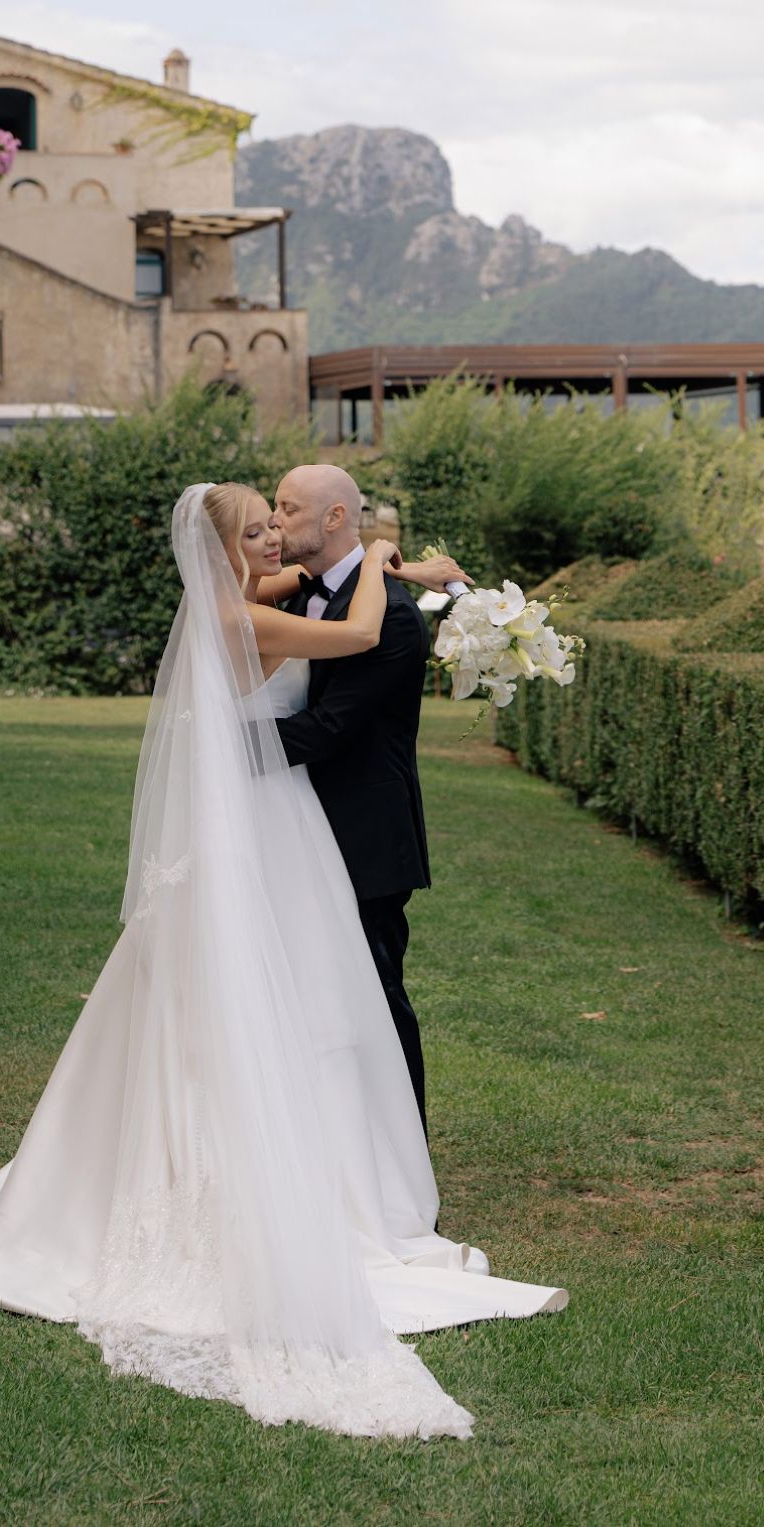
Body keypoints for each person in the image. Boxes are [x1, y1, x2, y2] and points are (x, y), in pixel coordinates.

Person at [0, 484, 564, 1441]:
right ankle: (305, 1175)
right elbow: (352, 637)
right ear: (231, 546)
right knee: (293, 998)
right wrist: (387, 558)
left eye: (283, 519)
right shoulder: (249, 610)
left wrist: (402, 568)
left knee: (247, 1000)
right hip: (272, 826)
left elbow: (307, 578)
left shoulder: (230, 597)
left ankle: (264, 1160)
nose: (276, 536)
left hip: (263, 827)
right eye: (260, 526)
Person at [256, 465, 438, 1124]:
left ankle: (406, 1159)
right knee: (316, 997)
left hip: (364, 839)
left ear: (336, 517)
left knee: (378, 998)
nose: (277, 521)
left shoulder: (388, 614)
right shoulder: (298, 592)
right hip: (303, 832)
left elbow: (329, 729)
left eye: (289, 507)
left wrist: (226, 747)